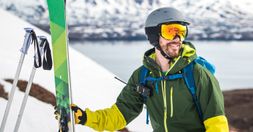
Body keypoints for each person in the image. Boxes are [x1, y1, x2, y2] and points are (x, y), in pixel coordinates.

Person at [70, 7, 229, 131]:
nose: (177, 39)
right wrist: (85, 118)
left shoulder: (197, 74)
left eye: (181, 32)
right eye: (170, 31)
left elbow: (217, 124)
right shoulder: (143, 76)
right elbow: (118, 116)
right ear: (154, 36)